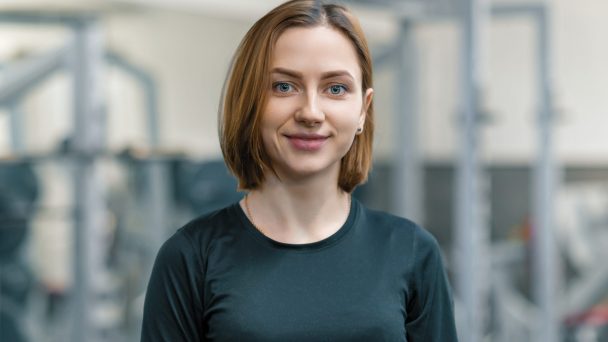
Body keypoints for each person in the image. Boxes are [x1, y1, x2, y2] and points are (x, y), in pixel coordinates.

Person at [141, 0, 458, 341]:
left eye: (335, 89)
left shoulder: (410, 251)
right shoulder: (191, 256)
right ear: (249, 102)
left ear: (363, 110)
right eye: (284, 86)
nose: (311, 112)